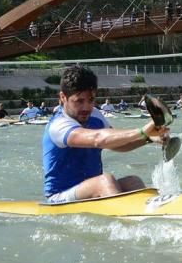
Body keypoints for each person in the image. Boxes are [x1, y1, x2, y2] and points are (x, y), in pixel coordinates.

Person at [42, 65, 169, 204]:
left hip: (91, 191)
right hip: (60, 196)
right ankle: (125, 222)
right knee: (105, 180)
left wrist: (148, 138)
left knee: (133, 182)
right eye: (79, 101)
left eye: (91, 100)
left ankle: (150, 215)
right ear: (63, 97)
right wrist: (143, 130)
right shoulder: (58, 125)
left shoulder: (96, 115)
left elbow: (115, 144)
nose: (86, 107)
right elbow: (98, 139)